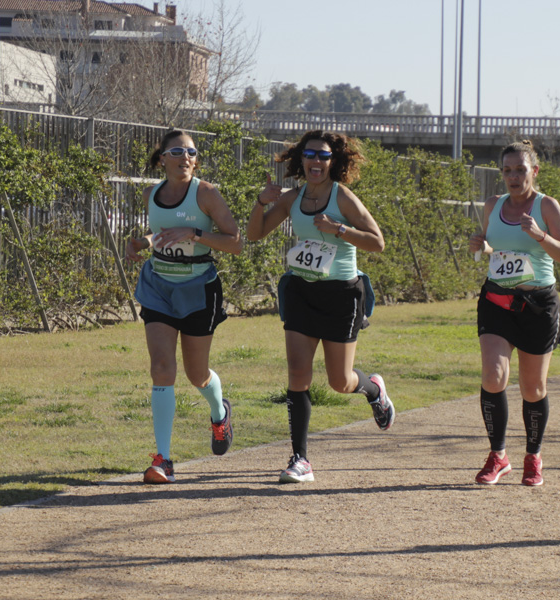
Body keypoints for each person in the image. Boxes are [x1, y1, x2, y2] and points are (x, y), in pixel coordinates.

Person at [247, 130, 394, 483]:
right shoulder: (292, 198)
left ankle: (373, 388)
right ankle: (301, 459)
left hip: (341, 294)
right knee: (298, 375)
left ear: (334, 162)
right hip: (301, 290)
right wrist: (260, 202)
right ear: (301, 160)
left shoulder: (342, 198)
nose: (316, 162)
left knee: (340, 381)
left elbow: (377, 242)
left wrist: (339, 229)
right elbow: (254, 234)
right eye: (310, 156)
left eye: (324, 157)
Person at [125, 130, 243, 484]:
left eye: (192, 152)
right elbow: (161, 233)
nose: (186, 157)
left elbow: (235, 242)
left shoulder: (206, 193)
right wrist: (143, 242)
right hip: (158, 285)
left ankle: (219, 412)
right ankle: (163, 459)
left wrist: (194, 235)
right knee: (162, 368)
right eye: (177, 151)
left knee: (196, 374)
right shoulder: (151, 194)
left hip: (197, 288)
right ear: (162, 158)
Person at [467, 140, 560, 487]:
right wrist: (481, 246)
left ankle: (533, 457)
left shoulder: (547, 206)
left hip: (537, 306)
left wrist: (541, 235)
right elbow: (492, 245)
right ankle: (498, 456)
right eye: (507, 170)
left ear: (535, 171)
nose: (513, 177)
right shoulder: (492, 205)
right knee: (493, 376)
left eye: (520, 170)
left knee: (533, 387)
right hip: (497, 302)